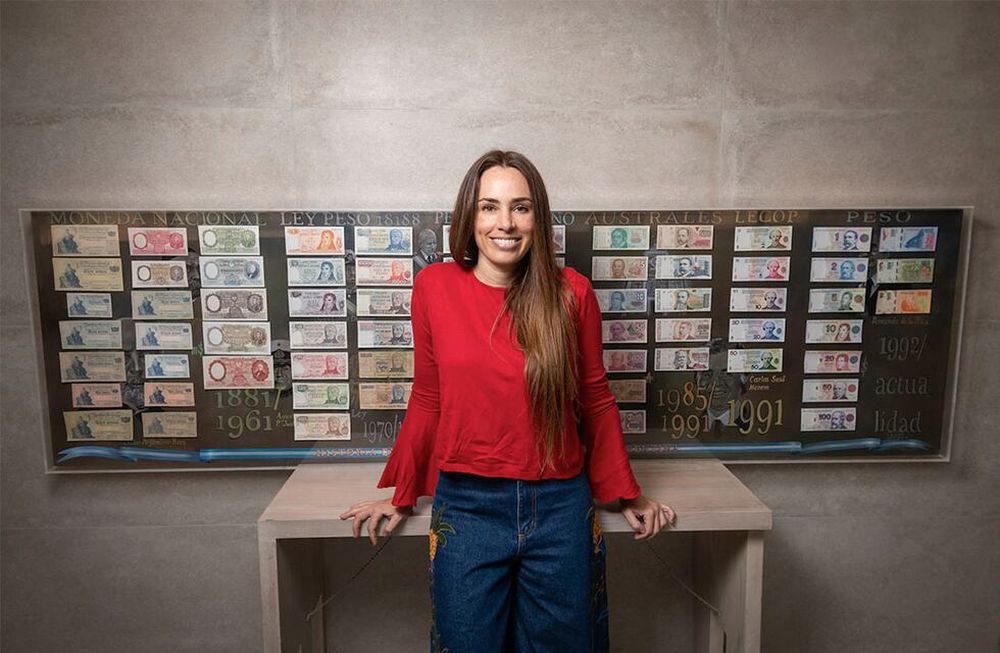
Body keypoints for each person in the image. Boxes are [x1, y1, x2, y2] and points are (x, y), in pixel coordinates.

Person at [339, 150, 674, 653]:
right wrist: (403, 492)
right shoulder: (434, 287)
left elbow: (596, 399)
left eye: (520, 207)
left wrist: (629, 493)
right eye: (489, 207)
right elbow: (428, 395)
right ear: (469, 217)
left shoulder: (572, 294)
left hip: (560, 506)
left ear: (538, 217)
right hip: (467, 507)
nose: (505, 223)